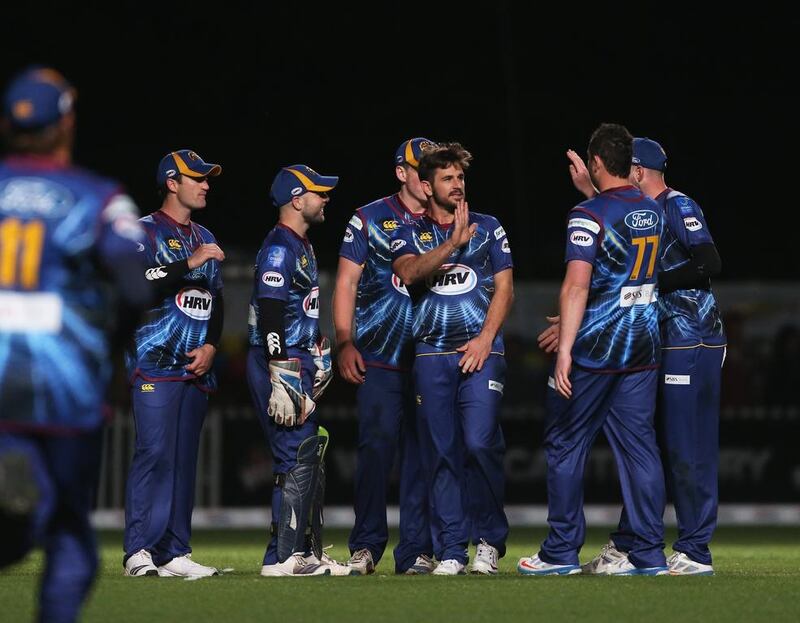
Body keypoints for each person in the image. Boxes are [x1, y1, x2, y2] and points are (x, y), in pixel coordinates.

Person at [0, 66, 149, 621]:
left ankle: (16, 513)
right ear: (65, 124)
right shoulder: (96, 196)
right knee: (68, 538)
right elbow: (137, 279)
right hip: (60, 387)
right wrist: (113, 351)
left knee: (25, 507)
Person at [551, 137, 725, 576]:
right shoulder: (640, 212)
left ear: (638, 171)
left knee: (686, 446)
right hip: (658, 340)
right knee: (647, 445)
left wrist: (649, 285)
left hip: (693, 338)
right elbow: (626, 253)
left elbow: (708, 261)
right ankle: (631, 543)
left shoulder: (675, 204)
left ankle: (694, 549)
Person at [518, 123, 668, 576]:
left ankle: (561, 553)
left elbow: (578, 284)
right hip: (642, 346)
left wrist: (564, 350)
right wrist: (591, 192)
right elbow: (623, 267)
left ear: (597, 163)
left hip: (597, 351)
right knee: (641, 448)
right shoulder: (652, 209)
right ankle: (648, 555)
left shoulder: (586, 215)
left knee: (566, 443)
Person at [392, 143, 513, 576]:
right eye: (447, 178)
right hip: (431, 354)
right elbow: (408, 273)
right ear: (426, 187)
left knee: (480, 442)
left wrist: (485, 339)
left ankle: (488, 542)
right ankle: (451, 550)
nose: (457, 185)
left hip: (480, 351)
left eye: (460, 177)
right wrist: (452, 244)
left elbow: (505, 288)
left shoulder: (490, 226)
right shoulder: (408, 231)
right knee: (440, 453)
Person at [333, 138, 435, 575]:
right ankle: (367, 545)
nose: (430, 178)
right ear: (401, 172)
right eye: (421, 169)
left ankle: (415, 551)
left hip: (432, 356)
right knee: (375, 449)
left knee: (423, 453)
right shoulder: (369, 217)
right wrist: (343, 340)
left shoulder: (447, 218)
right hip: (379, 355)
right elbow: (345, 283)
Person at [122, 149, 225, 578]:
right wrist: (190, 262)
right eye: (197, 178)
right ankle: (138, 552)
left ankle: (174, 551)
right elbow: (136, 283)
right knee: (154, 452)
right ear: (171, 182)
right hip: (154, 361)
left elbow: (216, 300)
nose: (205, 184)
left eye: (206, 178)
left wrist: (213, 346)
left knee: (184, 459)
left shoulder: (203, 233)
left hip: (195, 366)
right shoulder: (142, 231)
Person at [247, 164, 348, 576]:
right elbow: (270, 311)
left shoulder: (302, 245)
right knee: (294, 458)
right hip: (281, 361)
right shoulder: (279, 248)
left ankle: (305, 550)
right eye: (319, 193)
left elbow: (300, 309)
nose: (326, 199)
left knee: (309, 456)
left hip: (298, 359)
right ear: (296, 199)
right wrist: (279, 369)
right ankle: (282, 558)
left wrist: (319, 348)